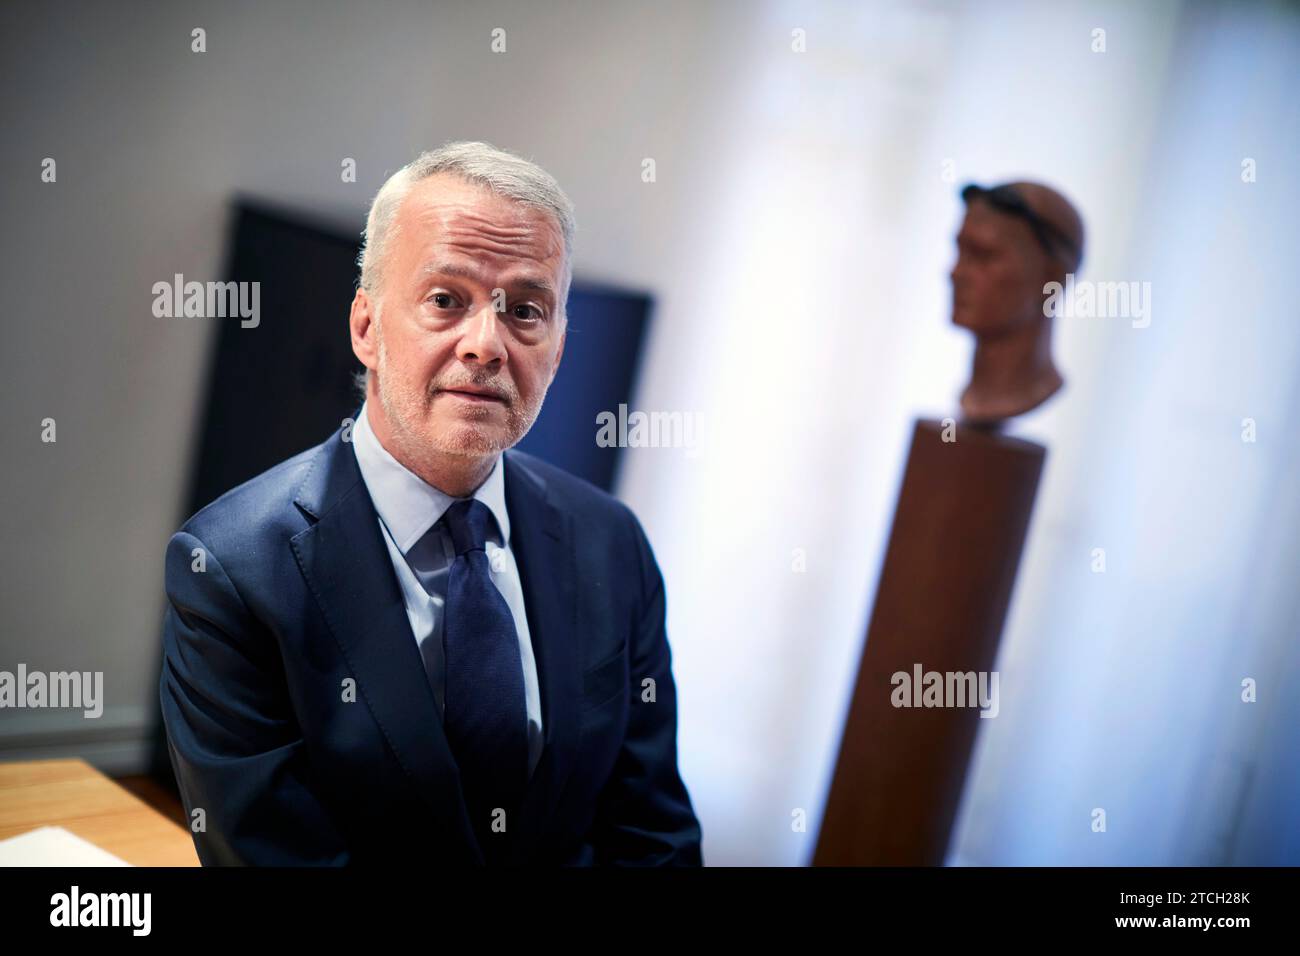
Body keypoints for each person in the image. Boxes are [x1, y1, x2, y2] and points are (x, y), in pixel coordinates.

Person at [159, 141, 702, 866]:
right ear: (366, 328)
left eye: (526, 310)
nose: (485, 344)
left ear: (559, 348)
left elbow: (653, 836)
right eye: (447, 300)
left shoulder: (612, 543)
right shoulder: (230, 569)